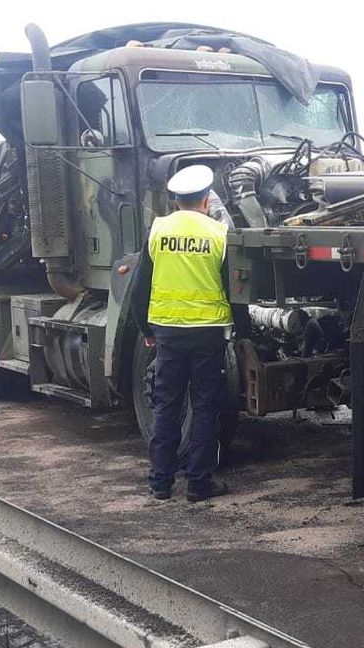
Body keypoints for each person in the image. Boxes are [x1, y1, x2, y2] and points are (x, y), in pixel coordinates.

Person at [128, 164, 232, 502]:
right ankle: (199, 483)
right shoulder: (219, 234)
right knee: (204, 407)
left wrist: (146, 329)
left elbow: (139, 288)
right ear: (206, 200)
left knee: (166, 405)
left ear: (175, 201)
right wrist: (238, 329)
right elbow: (231, 288)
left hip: (168, 333)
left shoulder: (158, 231)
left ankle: (160, 482)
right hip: (207, 333)